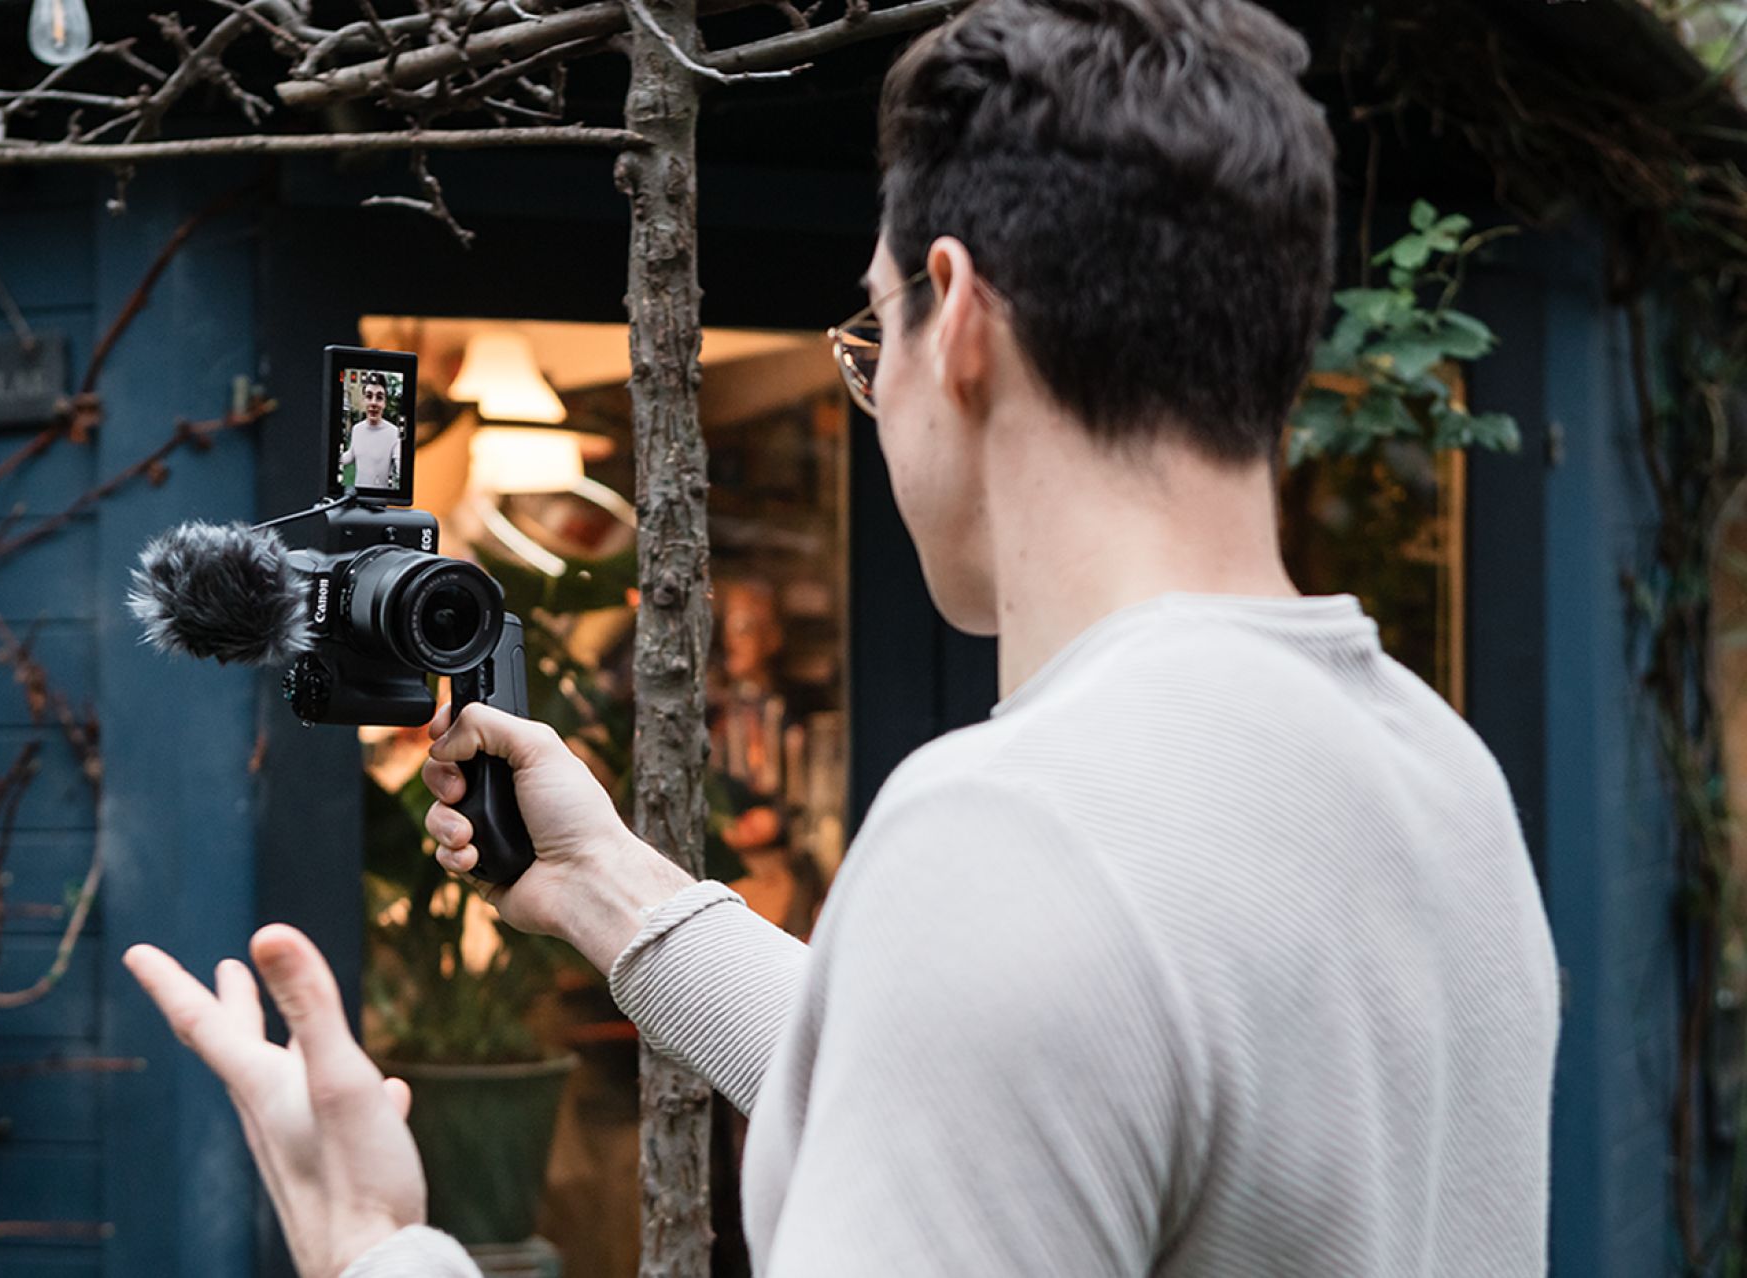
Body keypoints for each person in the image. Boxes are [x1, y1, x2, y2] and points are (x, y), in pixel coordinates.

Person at [125, 0, 1560, 1275]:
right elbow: (1043, 1080)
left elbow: (1035, 1000)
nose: (875, 398)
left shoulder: (1013, 836)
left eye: (872, 341)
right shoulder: (1442, 777)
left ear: (964, 319)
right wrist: (610, 887)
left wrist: (376, 1247)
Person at [340, 371, 402, 490]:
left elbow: (400, 465)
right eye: (369, 396)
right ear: (364, 400)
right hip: (357, 496)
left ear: (384, 403)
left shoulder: (394, 433)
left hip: (382, 499)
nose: (373, 402)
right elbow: (351, 454)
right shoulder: (357, 429)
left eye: (379, 397)